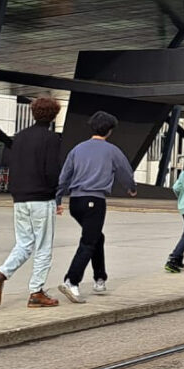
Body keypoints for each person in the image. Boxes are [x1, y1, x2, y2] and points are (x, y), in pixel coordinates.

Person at [0, 96, 62, 309]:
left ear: (33, 113)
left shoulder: (19, 137)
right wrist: (56, 194)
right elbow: (52, 171)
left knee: (24, 243)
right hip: (42, 198)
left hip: (19, 198)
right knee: (43, 246)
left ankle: (1, 274)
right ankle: (36, 292)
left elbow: (9, 162)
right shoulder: (51, 139)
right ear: (54, 115)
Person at [56, 111, 136, 303]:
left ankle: (100, 278)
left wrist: (58, 200)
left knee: (96, 237)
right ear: (109, 130)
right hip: (95, 201)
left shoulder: (78, 149)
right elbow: (125, 171)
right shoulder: (112, 151)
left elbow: (65, 175)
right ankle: (71, 281)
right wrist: (131, 188)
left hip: (76, 201)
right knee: (88, 242)